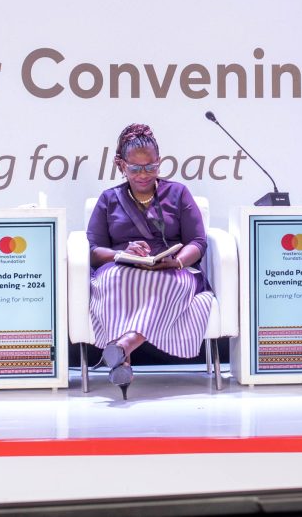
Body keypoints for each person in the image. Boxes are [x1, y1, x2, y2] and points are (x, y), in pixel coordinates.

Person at [86, 123, 213, 399]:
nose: (143, 175)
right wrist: (124, 253)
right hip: (123, 268)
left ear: (160, 163)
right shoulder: (109, 199)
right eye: (135, 168)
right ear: (121, 165)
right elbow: (95, 250)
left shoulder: (178, 193)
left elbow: (198, 242)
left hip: (170, 269)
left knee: (173, 284)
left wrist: (177, 262)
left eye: (151, 167)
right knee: (113, 281)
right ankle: (122, 358)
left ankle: (123, 346)